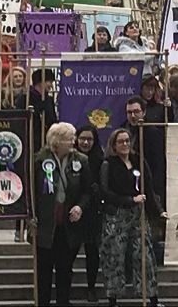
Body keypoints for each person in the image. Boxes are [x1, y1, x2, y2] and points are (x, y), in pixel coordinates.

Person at [100, 128, 167, 307]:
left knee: (145, 256)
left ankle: (152, 298)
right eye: (120, 141)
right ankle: (113, 299)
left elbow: (149, 189)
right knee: (115, 257)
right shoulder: (108, 164)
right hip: (117, 216)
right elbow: (105, 192)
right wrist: (129, 199)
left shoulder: (139, 161)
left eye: (127, 141)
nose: (125, 144)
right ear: (113, 145)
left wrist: (159, 210)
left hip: (138, 215)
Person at [34, 122, 93, 307]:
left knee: (65, 269)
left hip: (69, 224)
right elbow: (32, 189)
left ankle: (63, 302)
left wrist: (80, 207)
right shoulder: (39, 160)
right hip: (46, 224)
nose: (73, 141)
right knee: (43, 269)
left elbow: (88, 190)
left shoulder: (81, 160)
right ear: (57, 141)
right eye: (69, 138)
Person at [75, 124, 105, 303]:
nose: (85, 142)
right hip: (74, 209)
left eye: (89, 139)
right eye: (82, 139)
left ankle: (91, 287)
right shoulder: (70, 158)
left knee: (92, 252)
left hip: (93, 211)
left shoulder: (100, 160)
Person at [30, 68, 59, 149]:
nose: (51, 85)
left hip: (46, 140)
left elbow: (52, 120)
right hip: (31, 138)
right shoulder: (26, 97)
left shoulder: (49, 99)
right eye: (49, 82)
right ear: (40, 82)